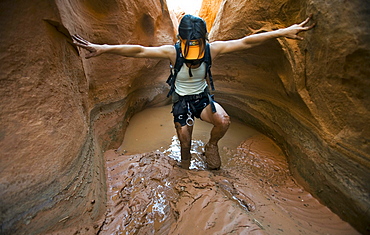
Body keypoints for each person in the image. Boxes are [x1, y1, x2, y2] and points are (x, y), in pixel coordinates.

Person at [72, 14, 314, 170]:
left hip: (203, 100)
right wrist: (103, 49)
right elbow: (139, 51)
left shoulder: (213, 49)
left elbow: (247, 41)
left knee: (224, 120)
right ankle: (185, 165)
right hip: (181, 102)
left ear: (203, 39)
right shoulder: (172, 52)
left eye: (197, 42)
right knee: (184, 142)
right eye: (189, 42)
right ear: (181, 39)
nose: (193, 47)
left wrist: (283, 32)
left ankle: (211, 146)